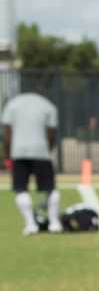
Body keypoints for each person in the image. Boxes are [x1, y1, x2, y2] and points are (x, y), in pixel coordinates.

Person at [3, 87, 61, 234]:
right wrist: (47, 149)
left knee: (20, 188)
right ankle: (54, 223)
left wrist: (7, 155)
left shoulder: (12, 104)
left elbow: (8, 133)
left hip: (18, 151)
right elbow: (51, 132)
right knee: (50, 188)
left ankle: (30, 225)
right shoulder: (47, 105)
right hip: (41, 151)